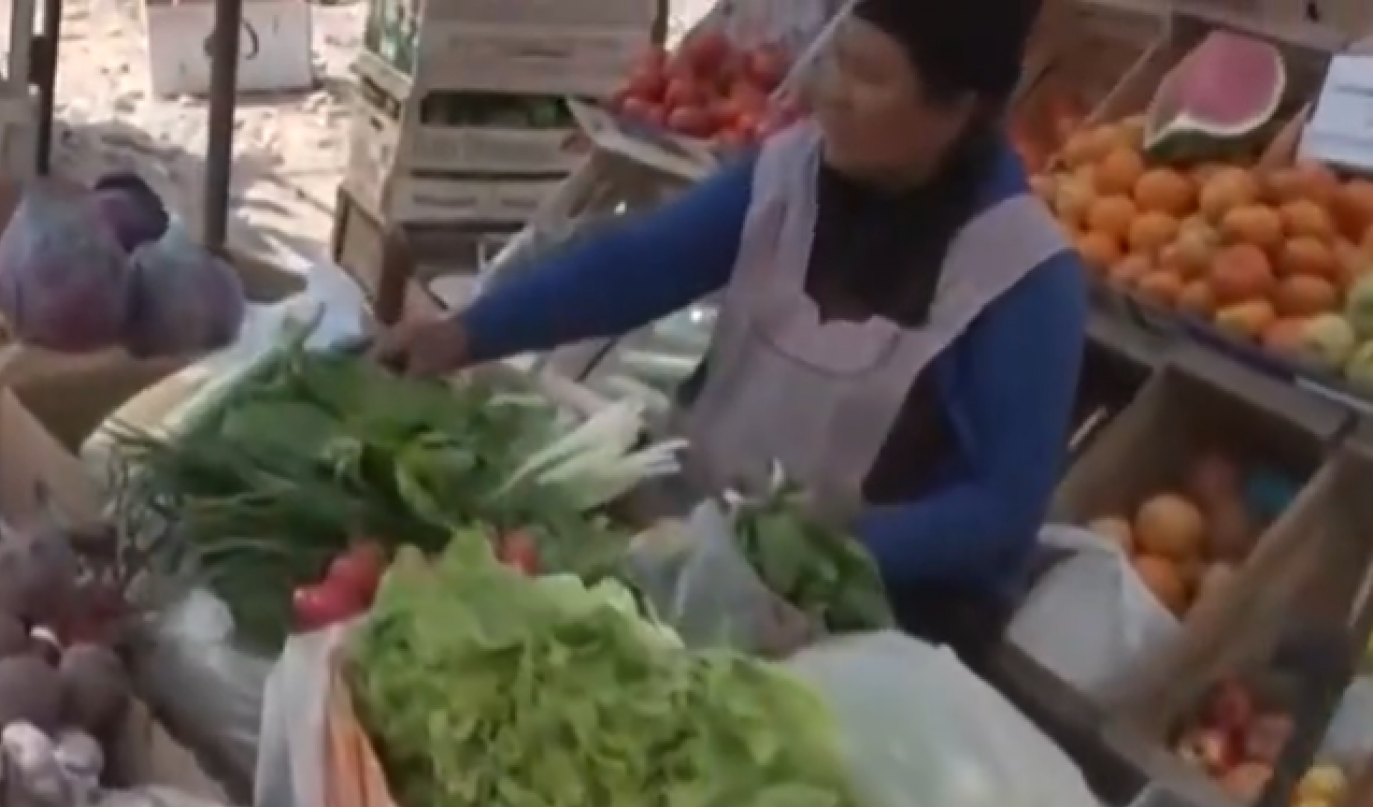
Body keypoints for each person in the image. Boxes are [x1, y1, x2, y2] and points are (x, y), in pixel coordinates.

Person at [374, 0, 1088, 662]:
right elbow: (639, 266)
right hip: (706, 577)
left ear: (957, 109)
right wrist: (466, 333)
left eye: (869, 77)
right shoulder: (790, 177)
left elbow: (1000, 512)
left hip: (873, 642)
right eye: (836, 58)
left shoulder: (1022, 277)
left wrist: (825, 545)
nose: (828, 91)